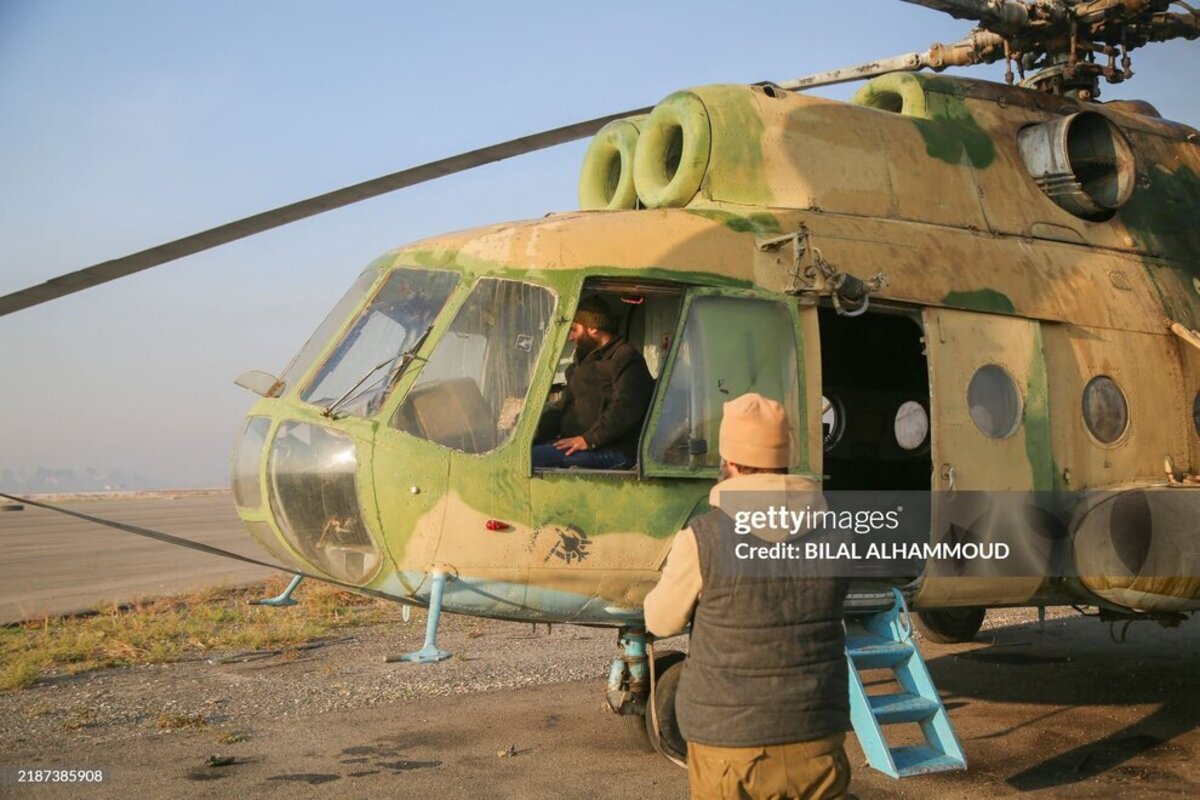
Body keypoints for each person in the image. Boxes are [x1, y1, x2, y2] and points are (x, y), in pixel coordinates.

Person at [643, 393, 851, 800]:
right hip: (817, 736)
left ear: (730, 462)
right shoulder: (836, 534)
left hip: (729, 747)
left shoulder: (702, 538)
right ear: (786, 457)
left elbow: (660, 620)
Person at [532, 295, 654, 470]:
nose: (571, 338)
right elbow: (565, 407)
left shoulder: (626, 359)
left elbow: (625, 409)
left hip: (614, 451)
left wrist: (590, 440)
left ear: (593, 328)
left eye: (574, 330)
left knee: (533, 459)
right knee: (522, 453)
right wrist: (533, 433)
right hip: (579, 443)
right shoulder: (583, 362)